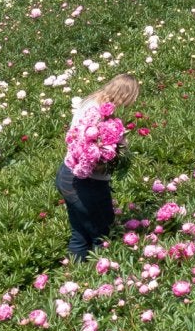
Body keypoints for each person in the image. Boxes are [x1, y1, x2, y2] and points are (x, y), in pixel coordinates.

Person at [57, 74, 138, 261]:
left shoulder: (92, 103)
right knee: (102, 235)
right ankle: (99, 279)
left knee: (80, 234)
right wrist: (115, 152)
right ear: (123, 95)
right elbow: (85, 148)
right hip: (84, 182)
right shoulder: (98, 113)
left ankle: (77, 280)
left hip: (68, 175)